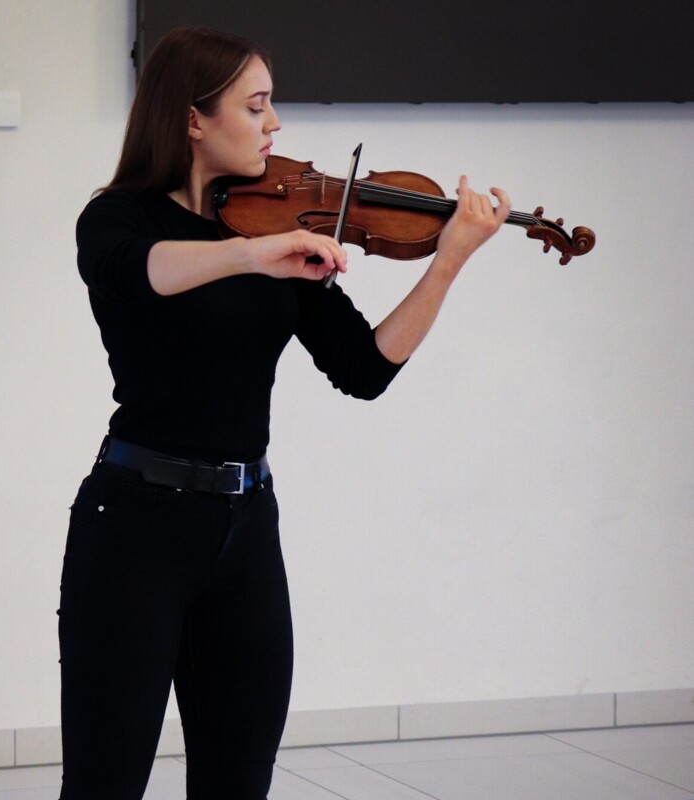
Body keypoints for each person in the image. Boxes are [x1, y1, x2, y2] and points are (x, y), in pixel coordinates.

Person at [58, 26, 510, 800]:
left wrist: (450, 261)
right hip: (134, 529)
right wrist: (249, 256)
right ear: (194, 119)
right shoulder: (119, 221)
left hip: (244, 532)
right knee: (105, 784)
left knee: (238, 783)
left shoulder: (275, 231)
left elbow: (365, 369)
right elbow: (140, 273)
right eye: (257, 105)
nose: (275, 126)